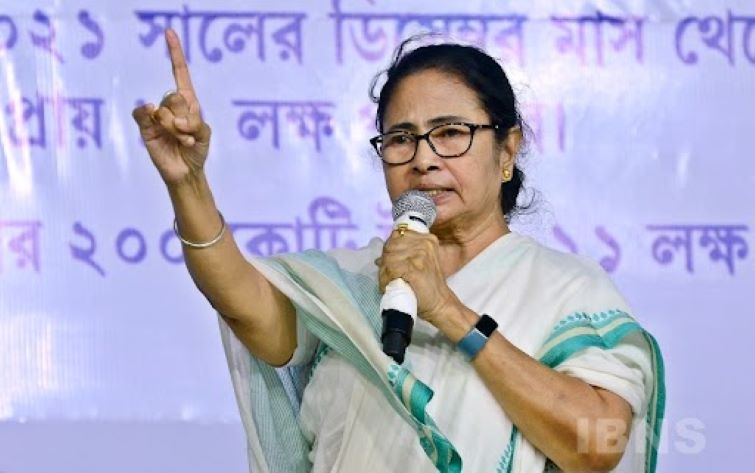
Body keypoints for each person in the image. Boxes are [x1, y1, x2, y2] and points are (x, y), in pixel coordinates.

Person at [133, 29, 664, 473]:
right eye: (402, 139)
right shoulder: (349, 285)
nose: (423, 160)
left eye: (451, 133)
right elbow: (240, 300)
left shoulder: (564, 289)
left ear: (507, 149)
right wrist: (188, 183)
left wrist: (449, 312)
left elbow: (600, 444)